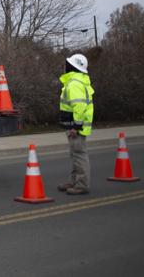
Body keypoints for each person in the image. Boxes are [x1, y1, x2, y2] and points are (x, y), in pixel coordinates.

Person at [57, 53, 94, 195]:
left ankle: (81, 185)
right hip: (74, 125)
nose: (64, 66)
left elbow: (79, 107)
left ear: (72, 67)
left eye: (67, 64)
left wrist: (75, 127)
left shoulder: (74, 84)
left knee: (79, 155)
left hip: (76, 127)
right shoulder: (76, 82)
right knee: (75, 155)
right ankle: (74, 181)